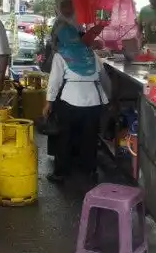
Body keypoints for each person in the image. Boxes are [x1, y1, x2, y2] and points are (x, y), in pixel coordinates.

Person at [43, 25, 110, 183]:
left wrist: (49, 103)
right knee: (90, 137)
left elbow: (54, 82)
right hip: (94, 100)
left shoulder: (61, 55)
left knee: (65, 137)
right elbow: (102, 77)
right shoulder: (91, 53)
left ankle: (61, 173)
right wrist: (108, 99)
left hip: (70, 100)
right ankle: (89, 170)